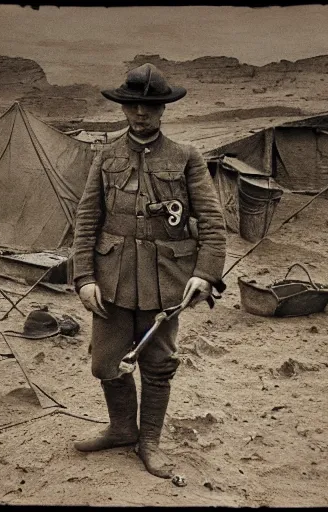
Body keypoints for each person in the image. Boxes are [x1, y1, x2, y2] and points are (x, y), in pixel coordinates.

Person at [72, 63, 227, 479]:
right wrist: (84, 277)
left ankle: (149, 441)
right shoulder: (105, 155)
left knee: (157, 365)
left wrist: (205, 274)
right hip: (112, 280)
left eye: (151, 106)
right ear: (123, 108)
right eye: (134, 105)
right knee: (105, 363)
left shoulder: (187, 157)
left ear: (163, 109)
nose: (141, 113)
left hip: (167, 281)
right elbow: (87, 219)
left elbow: (212, 222)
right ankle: (122, 428)